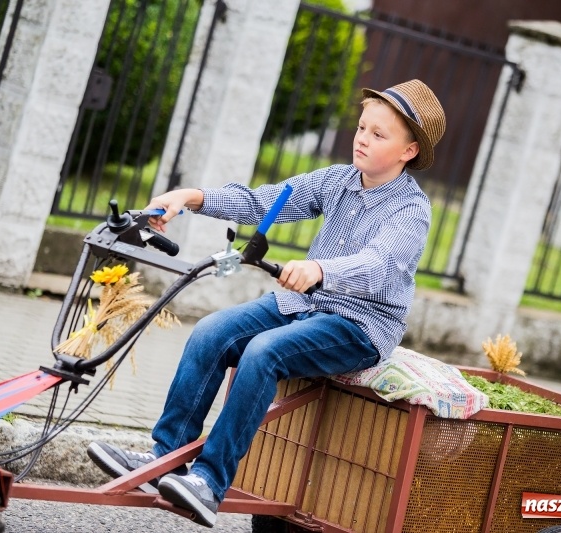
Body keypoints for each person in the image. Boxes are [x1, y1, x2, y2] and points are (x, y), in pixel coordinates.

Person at [87, 79, 446, 527]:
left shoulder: (411, 210)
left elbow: (380, 263)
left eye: (379, 134)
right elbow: (264, 200)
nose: (363, 139)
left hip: (360, 325)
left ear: (408, 151)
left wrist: (321, 270)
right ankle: (166, 456)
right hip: (303, 306)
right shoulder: (336, 181)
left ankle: (209, 482)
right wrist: (190, 198)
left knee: (263, 352)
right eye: (361, 127)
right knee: (211, 332)